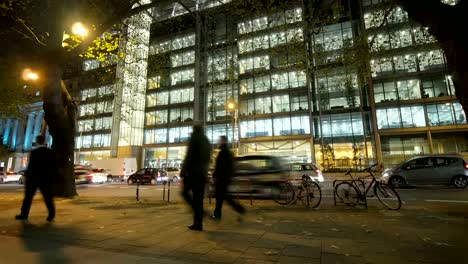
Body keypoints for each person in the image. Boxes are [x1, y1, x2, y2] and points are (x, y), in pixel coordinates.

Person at [15, 135, 56, 222]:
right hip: (45, 178)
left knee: (28, 197)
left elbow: (31, 166)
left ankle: (24, 214)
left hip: (34, 178)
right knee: (47, 197)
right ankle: (51, 214)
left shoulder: (34, 152)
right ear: (44, 141)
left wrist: (27, 176)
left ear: (37, 141)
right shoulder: (49, 152)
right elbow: (52, 166)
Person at [181, 124, 211, 231]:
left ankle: (200, 215)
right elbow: (208, 159)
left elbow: (189, 156)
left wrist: (183, 172)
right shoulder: (206, 141)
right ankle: (198, 224)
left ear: (194, 130)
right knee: (199, 199)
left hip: (193, 174)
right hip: (202, 174)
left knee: (185, 193)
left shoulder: (194, 138)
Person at [211, 136, 245, 221]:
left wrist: (215, 176)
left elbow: (220, 166)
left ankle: (240, 209)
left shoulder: (223, 152)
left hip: (221, 179)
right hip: (225, 178)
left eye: (220, 140)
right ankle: (217, 215)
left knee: (224, 197)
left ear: (223, 141)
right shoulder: (228, 152)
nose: (218, 142)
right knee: (220, 197)